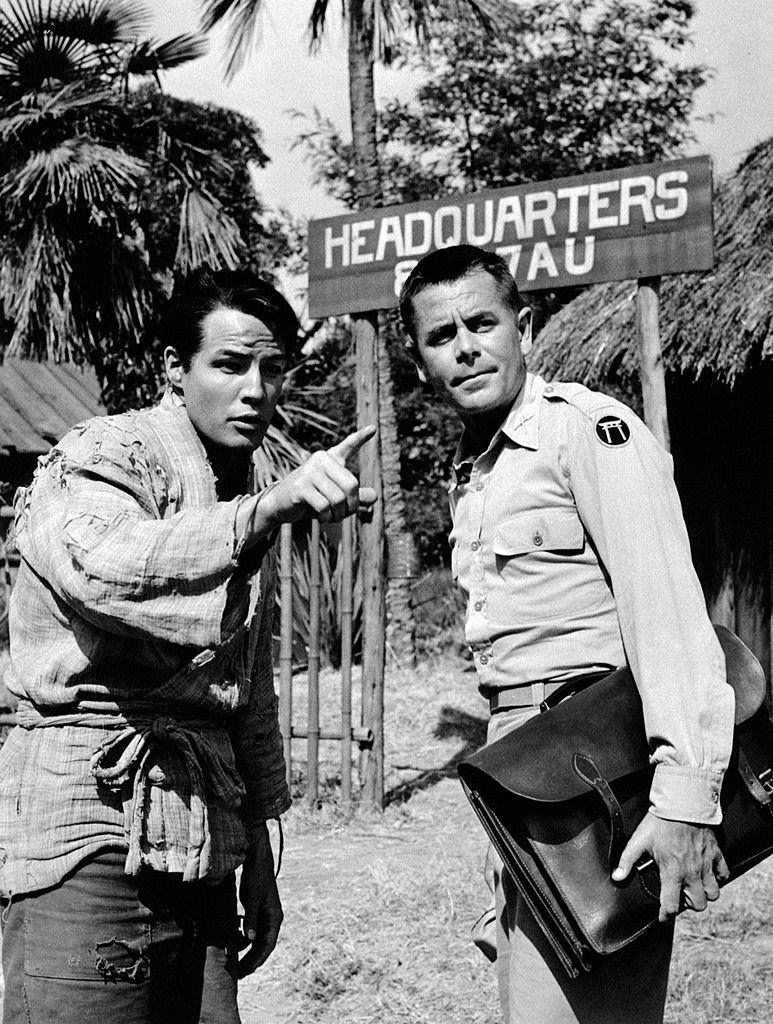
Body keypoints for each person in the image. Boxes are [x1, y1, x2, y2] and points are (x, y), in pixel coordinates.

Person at [0, 267, 376, 1024]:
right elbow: (103, 570)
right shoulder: (103, 452)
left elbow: (247, 686)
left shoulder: (232, 488)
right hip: (86, 826)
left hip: (204, 838)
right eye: (230, 365)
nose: (256, 390)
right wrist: (263, 512)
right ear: (175, 367)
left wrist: (261, 856)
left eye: (272, 369)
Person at [398, 245, 735, 1024]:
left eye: (482, 322)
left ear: (524, 326)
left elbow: (668, 619)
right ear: (421, 362)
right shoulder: (482, 469)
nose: (466, 346)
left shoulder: (588, 431)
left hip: (600, 768)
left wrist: (685, 799)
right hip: (528, 769)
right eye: (441, 336)